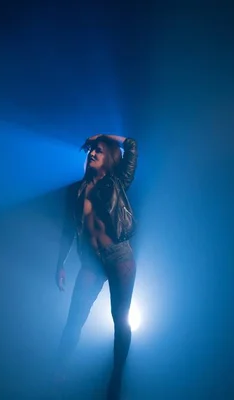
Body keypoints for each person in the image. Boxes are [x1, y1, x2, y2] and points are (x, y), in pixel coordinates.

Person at [55, 134, 138, 399]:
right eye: (91, 150)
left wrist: (102, 136)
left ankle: (116, 377)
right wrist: (60, 264)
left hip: (118, 256)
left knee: (120, 319)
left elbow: (132, 145)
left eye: (99, 151)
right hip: (91, 261)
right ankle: (58, 370)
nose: (92, 153)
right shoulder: (76, 190)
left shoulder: (117, 182)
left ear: (109, 158)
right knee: (75, 318)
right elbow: (69, 230)